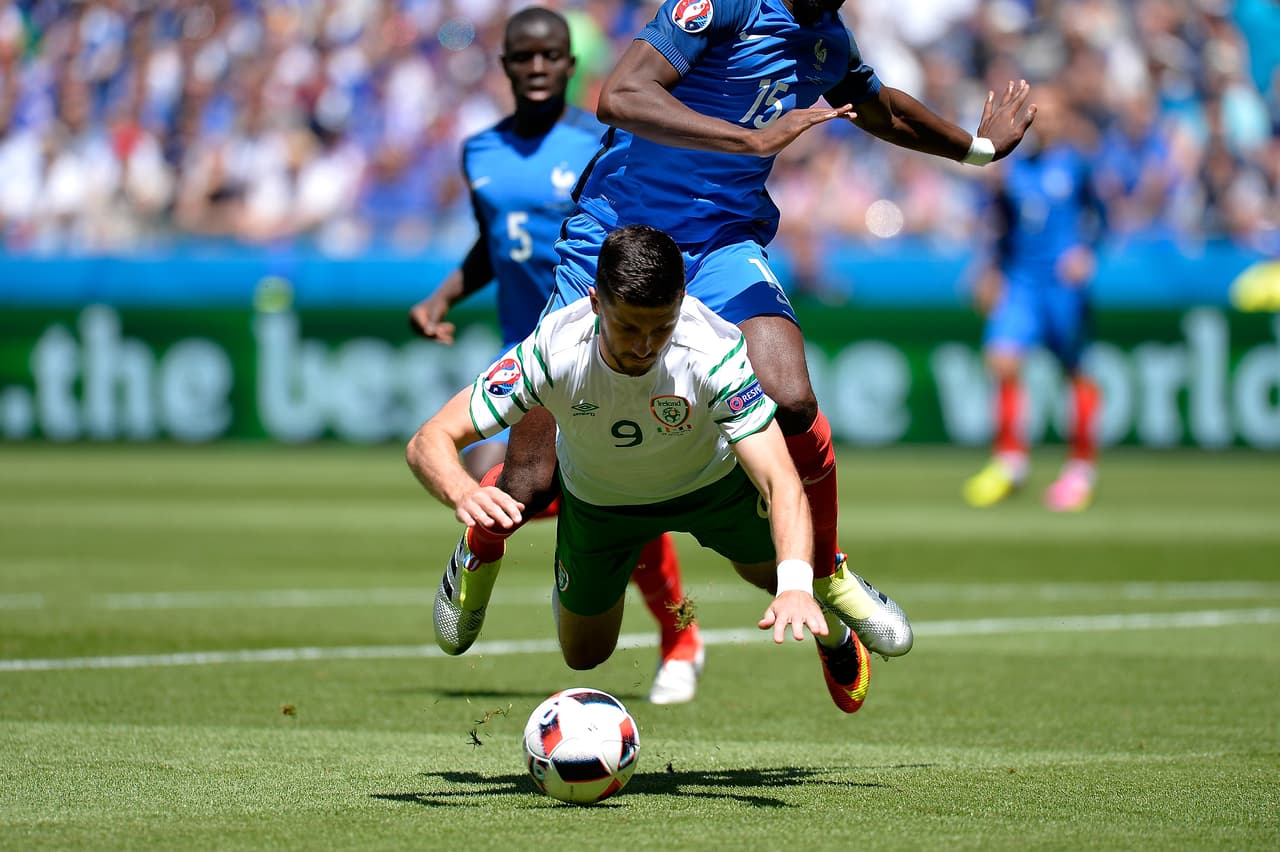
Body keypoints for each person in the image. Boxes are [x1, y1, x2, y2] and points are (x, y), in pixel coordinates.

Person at [439, 0, 1036, 663]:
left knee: (791, 395)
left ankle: (825, 570)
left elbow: (881, 108)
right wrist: (748, 140)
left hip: (722, 238)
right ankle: (477, 553)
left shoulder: (826, 41)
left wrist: (977, 150)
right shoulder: (721, 6)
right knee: (530, 478)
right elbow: (621, 95)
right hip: (617, 233)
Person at [408, 224, 871, 713]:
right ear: (594, 304)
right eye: (629, 327)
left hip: (712, 488)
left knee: (784, 577)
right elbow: (429, 439)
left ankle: (836, 633)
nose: (646, 346)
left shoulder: (712, 351)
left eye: (661, 327)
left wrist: (796, 587)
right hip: (601, 504)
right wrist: (462, 492)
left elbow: (781, 481)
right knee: (584, 655)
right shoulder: (551, 351)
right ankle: (479, 555)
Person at [409, 8, 704, 705]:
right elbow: (495, 244)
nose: (538, 67)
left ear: (572, 65)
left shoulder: (604, 139)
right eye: (524, 57)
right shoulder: (479, 150)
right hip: (529, 353)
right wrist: (444, 294)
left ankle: (681, 640)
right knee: (528, 485)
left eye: (551, 56)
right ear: (506, 65)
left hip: (600, 348)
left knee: (607, 490)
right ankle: (483, 556)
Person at [962, 84, 1104, 512]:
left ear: (1065, 120)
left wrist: (1087, 252)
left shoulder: (1076, 166)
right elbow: (1000, 226)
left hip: (1062, 285)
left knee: (1074, 373)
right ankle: (1010, 462)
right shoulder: (1011, 169)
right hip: (1021, 282)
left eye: (1053, 113)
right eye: (1036, 114)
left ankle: (1080, 470)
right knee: (1001, 359)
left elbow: (1101, 216)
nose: (1044, 122)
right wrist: (989, 269)